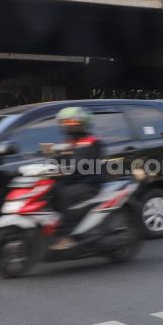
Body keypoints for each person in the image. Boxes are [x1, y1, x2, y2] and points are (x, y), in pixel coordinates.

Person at [49, 106, 103, 250]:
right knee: (49, 192)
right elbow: (58, 162)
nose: (68, 127)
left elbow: (86, 167)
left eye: (72, 123)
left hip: (88, 183)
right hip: (70, 181)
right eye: (65, 123)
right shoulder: (68, 144)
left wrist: (66, 171)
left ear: (82, 124)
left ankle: (68, 236)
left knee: (64, 195)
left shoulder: (92, 142)